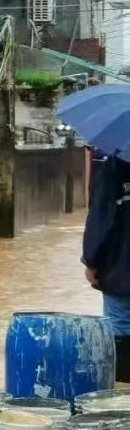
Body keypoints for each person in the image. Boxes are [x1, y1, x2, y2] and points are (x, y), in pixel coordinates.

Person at [82, 151, 130, 382]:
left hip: (121, 268)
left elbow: (101, 218)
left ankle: (123, 391)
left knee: (120, 327)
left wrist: (91, 260)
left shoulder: (114, 165)